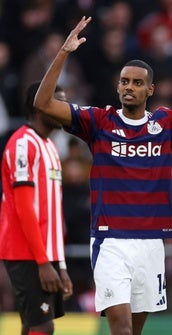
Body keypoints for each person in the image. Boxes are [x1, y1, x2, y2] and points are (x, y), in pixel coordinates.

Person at [34, 16, 172, 335]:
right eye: (125, 81)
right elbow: (43, 104)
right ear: (118, 86)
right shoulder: (98, 122)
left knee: (136, 331)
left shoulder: (166, 124)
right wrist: (63, 52)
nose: (129, 87)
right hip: (110, 238)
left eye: (137, 83)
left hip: (151, 241)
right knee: (122, 330)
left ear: (150, 89)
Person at [0, 82, 73, 335]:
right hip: (25, 252)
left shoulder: (51, 148)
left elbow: (52, 214)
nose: (64, 109)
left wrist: (60, 264)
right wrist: (43, 262)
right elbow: (23, 208)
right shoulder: (23, 144)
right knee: (43, 326)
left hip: (44, 253)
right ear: (39, 106)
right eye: (58, 103)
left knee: (31, 323)